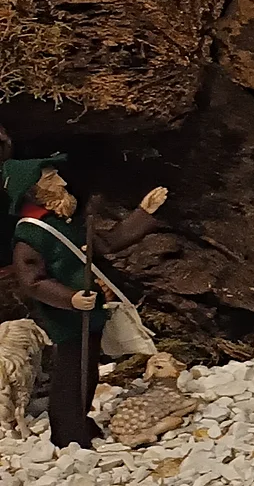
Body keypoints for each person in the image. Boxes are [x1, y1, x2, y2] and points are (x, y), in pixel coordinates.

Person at [8, 158, 167, 446]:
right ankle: (67, 432)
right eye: (51, 179)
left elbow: (105, 244)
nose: (62, 183)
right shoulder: (30, 234)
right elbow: (33, 281)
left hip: (90, 309)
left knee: (88, 368)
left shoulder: (64, 223)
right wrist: (70, 298)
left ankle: (80, 420)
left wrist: (143, 213)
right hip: (66, 315)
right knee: (71, 372)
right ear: (34, 191)